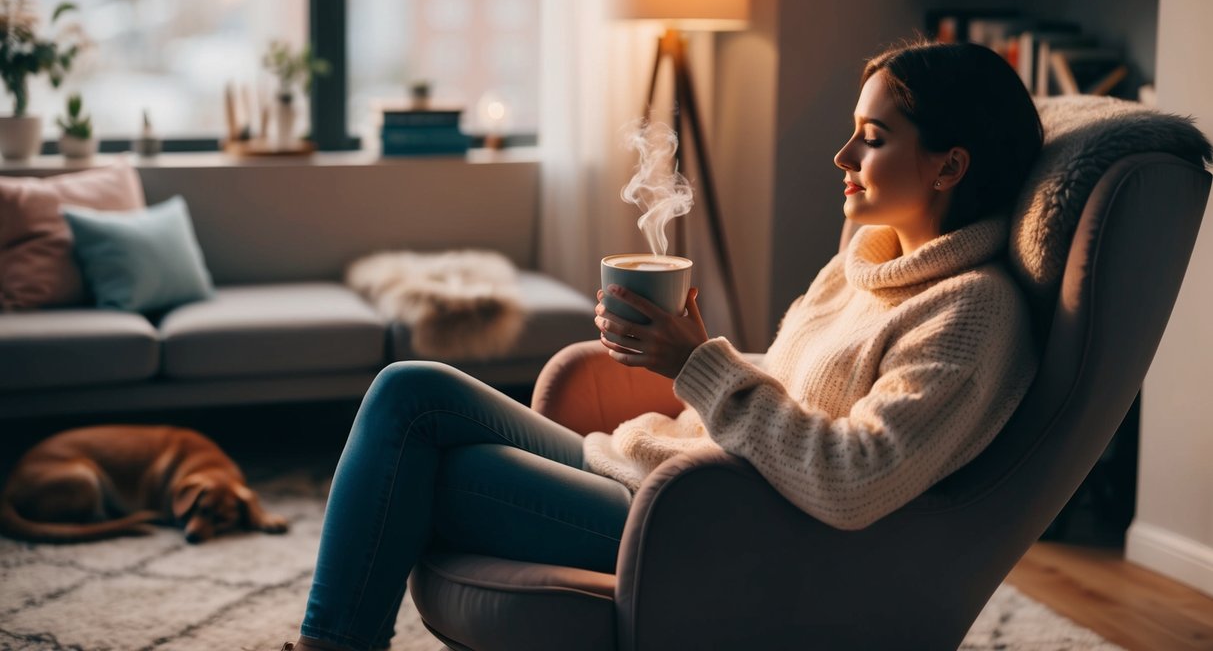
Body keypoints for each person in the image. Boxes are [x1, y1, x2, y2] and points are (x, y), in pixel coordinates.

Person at [281, 39, 1044, 651]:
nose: (843, 156)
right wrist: (694, 349)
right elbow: (786, 389)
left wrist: (696, 366)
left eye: (871, 138)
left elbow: (850, 480)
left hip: (704, 525)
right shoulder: (864, 264)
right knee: (411, 391)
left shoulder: (972, 315)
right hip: (656, 471)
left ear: (950, 164)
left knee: (433, 474)